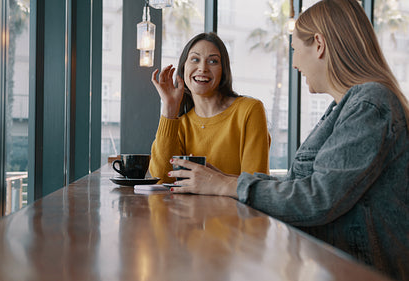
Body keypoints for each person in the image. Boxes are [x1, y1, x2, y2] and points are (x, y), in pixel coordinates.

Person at [167, 0, 409, 280]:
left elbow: (319, 199)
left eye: (295, 50)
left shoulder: (370, 104)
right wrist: (223, 180)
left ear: (319, 45)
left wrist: (227, 185)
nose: (294, 63)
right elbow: (302, 185)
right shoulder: (346, 107)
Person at [149, 32, 271, 184]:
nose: (202, 68)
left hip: (234, 208)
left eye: (213, 61)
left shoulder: (249, 110)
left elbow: (255, 184)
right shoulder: (179, 123)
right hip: (186, 208)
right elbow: (161, 178)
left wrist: (211, 179)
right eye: (195, 59)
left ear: (223, 70)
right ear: (183, 68)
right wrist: (169, 109)